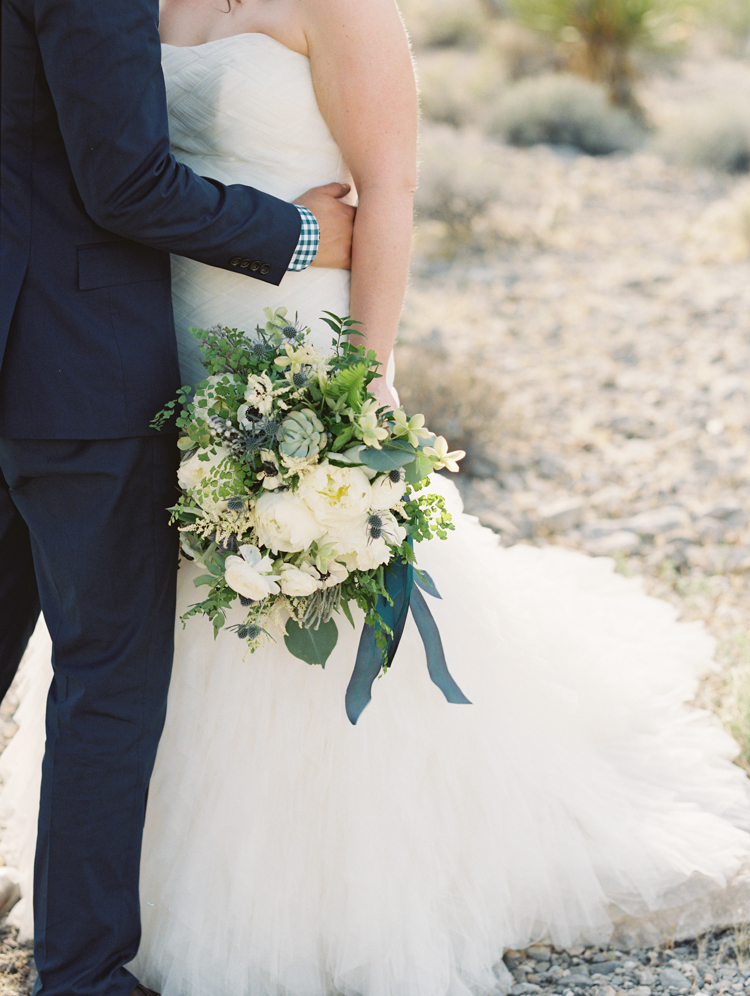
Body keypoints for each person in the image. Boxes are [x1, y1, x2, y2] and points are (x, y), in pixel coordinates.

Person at [2, 0, 750, 994]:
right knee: (152, 630)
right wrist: (299, 234)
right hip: (152, 339)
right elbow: (116, 169)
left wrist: (369, 375)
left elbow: (389, 187)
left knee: (283, 612)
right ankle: (137, 906)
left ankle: (321, 886)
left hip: (280, 333)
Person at [0, 0, 355, 991]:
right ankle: (81, 976)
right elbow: (125, 184)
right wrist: (294, 234)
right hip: (77, 365)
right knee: (106, 679)